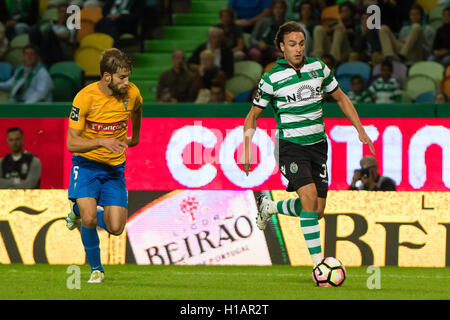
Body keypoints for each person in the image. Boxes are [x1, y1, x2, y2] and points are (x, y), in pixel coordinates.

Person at [243, 21, 375, 268]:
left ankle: (269, 206)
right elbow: (253, 115)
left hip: (318, 146)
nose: (298, 49)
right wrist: (247, 147)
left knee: (317, 210)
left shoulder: (319, 68)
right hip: (290, 146)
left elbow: (341, 97)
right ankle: (319, 266)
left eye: (301, 43)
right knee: (309, 198)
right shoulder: (272, 78)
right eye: (292, 44)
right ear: (282, 47)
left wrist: (359, 128)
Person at [65, 48, 143, 283]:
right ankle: (97, 269)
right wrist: (100, 141)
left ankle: (76, 210)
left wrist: (135, 136)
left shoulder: (132, 93)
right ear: (107, 77)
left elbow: (137, 110)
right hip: (86, 165)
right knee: (89, 219)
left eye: (128, 76)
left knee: (117, 227)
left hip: (114, 170)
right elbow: (71, 142)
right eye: (122, 77)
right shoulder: (84, 97)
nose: (127, 82)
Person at [29, 2, 77, 67]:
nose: (64, 14)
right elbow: (41, 34)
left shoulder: (71, 27)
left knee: (49, 32)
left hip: (58, 52)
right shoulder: (51, 24)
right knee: (34, 29)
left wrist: (53, 34)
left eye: (66, 12)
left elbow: (66, 36)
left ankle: (41, 59)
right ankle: (34, 56)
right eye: (62, 12)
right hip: (45, 47)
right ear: (58, 13)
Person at [248, 0, 287, 67]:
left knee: (280, 56)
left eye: (280, 8)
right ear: (272, 9)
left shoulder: (287, 25)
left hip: (274, 50)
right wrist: (258, 44)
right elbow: (252, 38)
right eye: (276, 8)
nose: (278, 10)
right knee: (255, 53)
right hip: (259, 48)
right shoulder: (263, 22)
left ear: (284, 10)